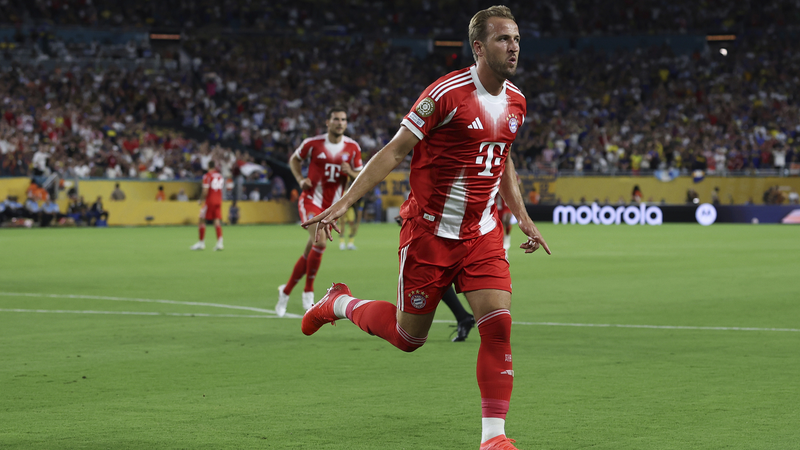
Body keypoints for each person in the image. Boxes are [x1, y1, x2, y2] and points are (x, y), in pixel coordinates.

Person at [301, 7, 550, 449]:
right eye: (502, 40)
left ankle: (494, 438)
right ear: (478, 47)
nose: (513, 47)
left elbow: (503, 157)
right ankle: (339, 302)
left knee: (497, 325)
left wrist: (522, 216)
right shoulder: (445, 95)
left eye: (516, 39)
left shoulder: (517, 101)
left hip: (482, 233)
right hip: (430, 234)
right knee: (407, 337)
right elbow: (395, 151)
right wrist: (343, 203)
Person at [276, 107, 363, 316]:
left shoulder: (352, 147)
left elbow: (360, 175)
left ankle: (285, 291)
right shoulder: (312, 144)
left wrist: (349, 171)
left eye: (343, 119)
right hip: (310, 202)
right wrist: (300, 180)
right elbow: (294, 160)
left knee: (310, 251)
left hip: (332, 208)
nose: (340, 123)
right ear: (328, 122)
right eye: (335, 119)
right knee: (321, 242)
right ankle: (308, 292)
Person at [190, 160, 224, 251]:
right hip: (218, 201)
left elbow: (205, 190)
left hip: (210, 201)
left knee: (201, 219)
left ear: (208, 166)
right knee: (216, 221)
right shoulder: (220, 176)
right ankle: (220, 243)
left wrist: (201, 200)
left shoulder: (207, 176)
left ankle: (201, 243)